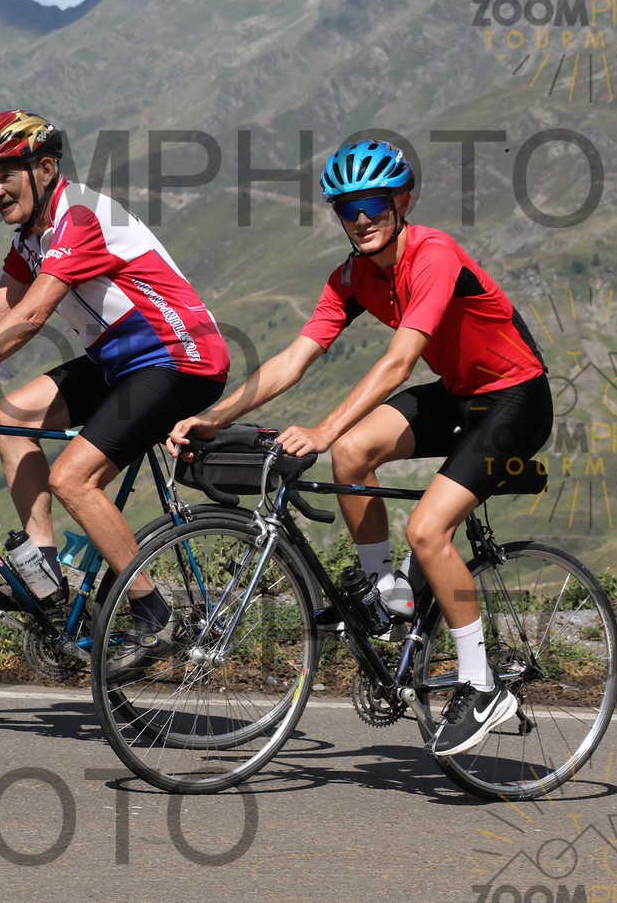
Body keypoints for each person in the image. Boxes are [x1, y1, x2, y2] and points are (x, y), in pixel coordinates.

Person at [167, 139, 553, 756]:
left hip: (515, 399)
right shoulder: (352, 278)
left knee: (427, 530)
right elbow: (294, 359)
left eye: (374, 203)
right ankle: (386, 593)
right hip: (457, 393)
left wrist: (320, 429)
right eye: (348, 208)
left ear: (403, 203)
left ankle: (482, 686)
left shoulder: (433, 255)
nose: (362, 218)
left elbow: (399, 362)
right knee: (351, 453)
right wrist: (214, 417)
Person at [0, 109, 229, 666]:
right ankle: (46, 577)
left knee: (72, 479)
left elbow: (29, 317)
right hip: (120, 360)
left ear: (45, 169)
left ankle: (155, 614)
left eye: (5, 176)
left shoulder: (79, 217)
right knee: (10, 418)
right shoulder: (33, 235)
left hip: (180, 357)